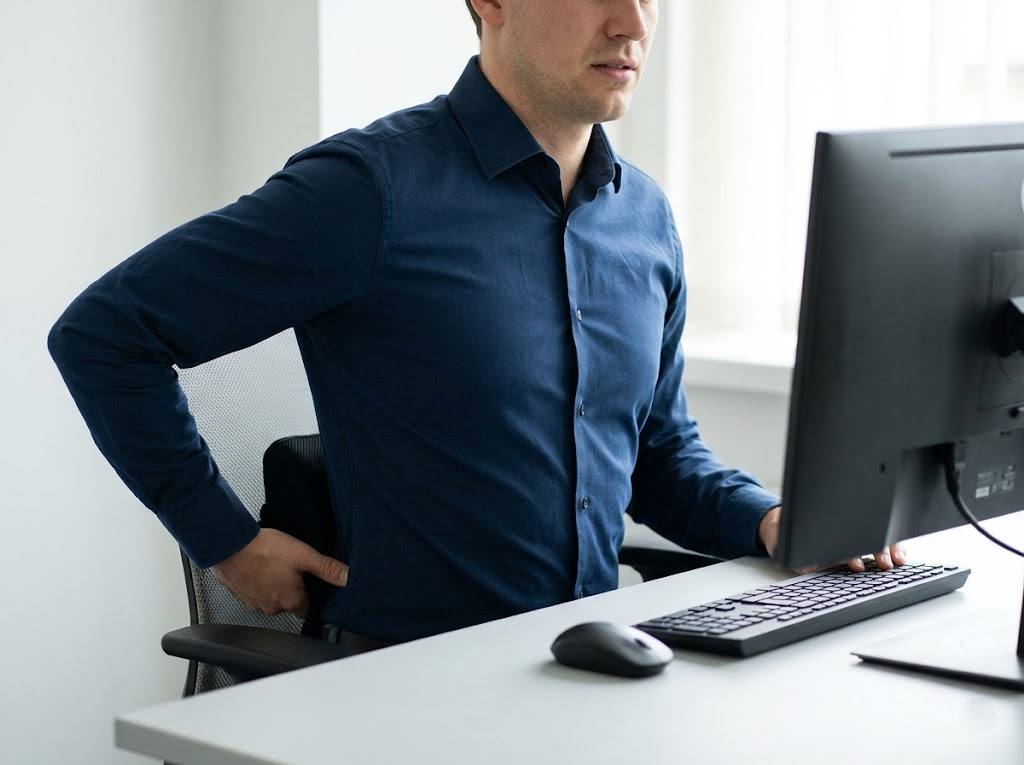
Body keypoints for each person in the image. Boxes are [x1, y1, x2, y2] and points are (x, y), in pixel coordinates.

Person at [49, 0, 904, 648]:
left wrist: (770, 520)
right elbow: (104, 334)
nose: (633, 23)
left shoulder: (644, 217)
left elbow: (658, 457)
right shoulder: (367, 191)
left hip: (592, 666)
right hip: (414, 682)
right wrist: (226, 541)